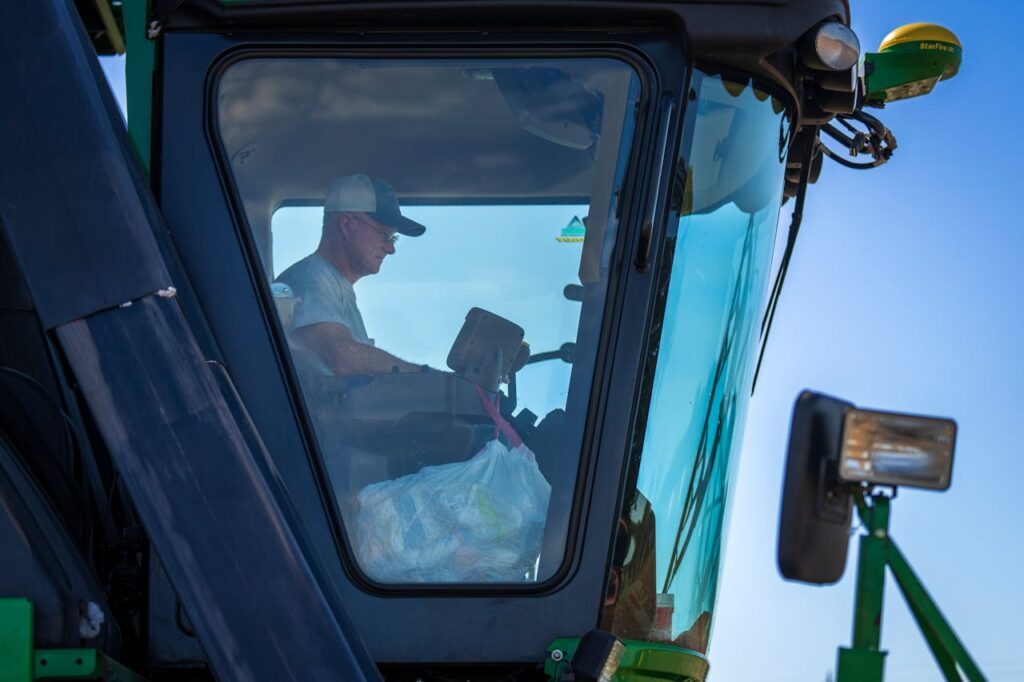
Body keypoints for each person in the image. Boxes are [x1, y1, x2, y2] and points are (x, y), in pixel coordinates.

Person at [276, 174, 426, 378]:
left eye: (394, 238)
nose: (391, 249)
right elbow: (342, 357)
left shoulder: (334, 284)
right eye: (385, 235)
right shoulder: (312, 279)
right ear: (347, 224)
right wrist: (425, 376)